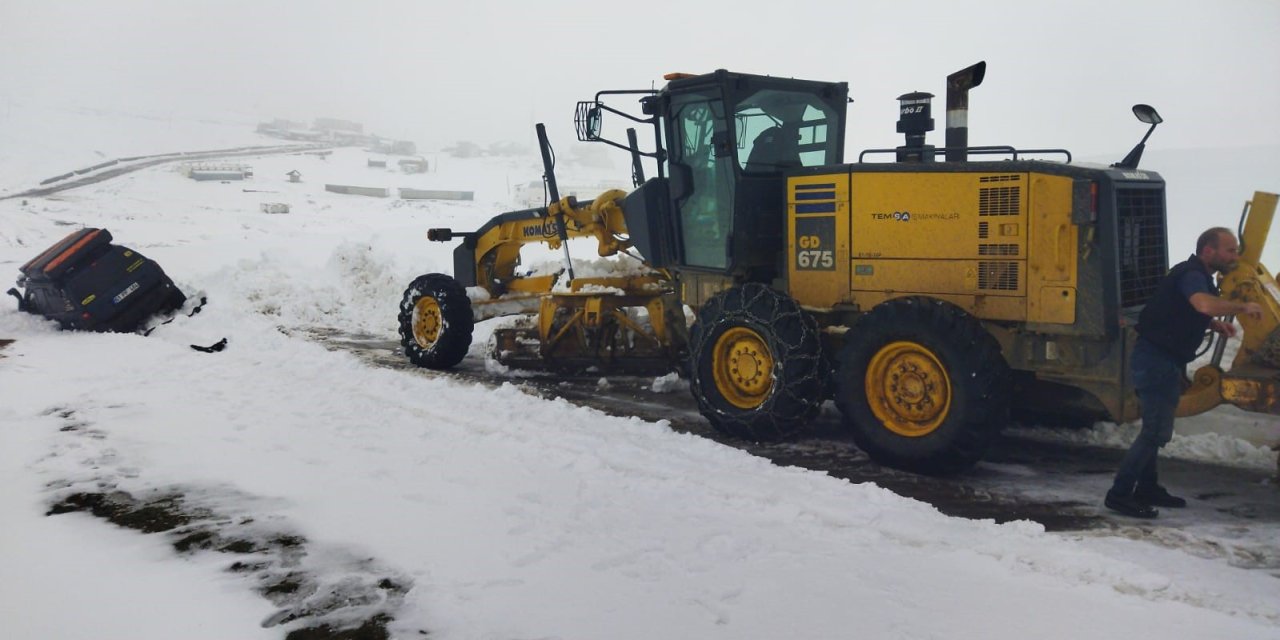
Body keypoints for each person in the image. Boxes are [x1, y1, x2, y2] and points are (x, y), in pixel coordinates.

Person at [1105, 227, 1265, 518]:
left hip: (1163, 360)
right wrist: (1242, 306)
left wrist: (1214, 325)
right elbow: (1201, 304)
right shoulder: (1192, 275)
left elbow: (1180, 311)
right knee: (1155, 432)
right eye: (1230, 250)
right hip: (1156, 361)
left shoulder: (1195, 274)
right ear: (1209, 251)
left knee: (1153, 429)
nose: (1235, 256)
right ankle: (1119, 495)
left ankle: (1147, 488)